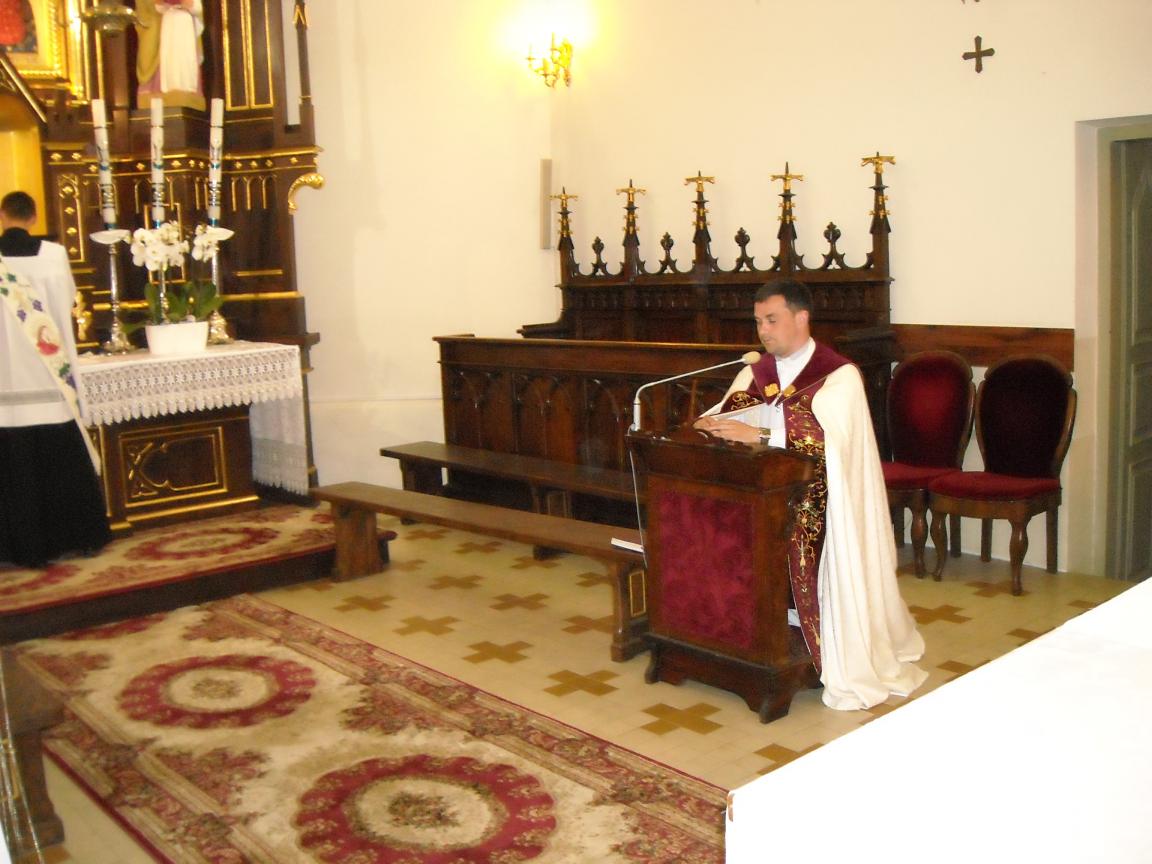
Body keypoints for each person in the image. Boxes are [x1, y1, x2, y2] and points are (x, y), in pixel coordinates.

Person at [695, 279, 926, 710]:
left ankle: (822, 644)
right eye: (758, 322)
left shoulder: (838, 375)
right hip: (766, 498)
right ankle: (763, 643)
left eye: (772, 320)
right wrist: (710, 423)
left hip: (824, 503)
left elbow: (833, 439)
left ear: (801, 318)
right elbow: (734, 413)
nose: (763, 331)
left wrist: (762, 434)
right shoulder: (755, 371)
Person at [0, 191, 111, 568]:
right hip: (49, 373)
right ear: (33, 218)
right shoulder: (54, 256)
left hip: (5, 379)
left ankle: (17, 548)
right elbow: (67, 302)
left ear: (3, 216)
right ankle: (77, 536)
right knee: (59, 465)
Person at [135, 0, 206, 110]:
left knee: (182, 61)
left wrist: (189, 4)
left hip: (184, 24)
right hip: (166, 23)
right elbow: (148, 9)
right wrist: (160, 4)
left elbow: (197, 7)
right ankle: (167, 91)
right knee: (168, 59)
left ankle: (183, 91)